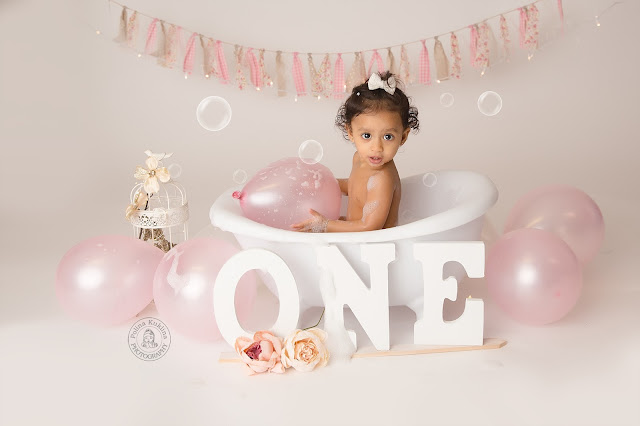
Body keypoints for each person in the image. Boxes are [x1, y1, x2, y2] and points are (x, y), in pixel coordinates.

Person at [291, 71, 419, 233]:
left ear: (403, 137)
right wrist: (326, 183)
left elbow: (370, 226)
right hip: (356, 235)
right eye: (367, 135)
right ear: (350, 132)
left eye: (388, 136)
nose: (376, 147)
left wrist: (326, 225)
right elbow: (354, 186)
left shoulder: (382, 179)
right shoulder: (359, 158)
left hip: (376, 244)